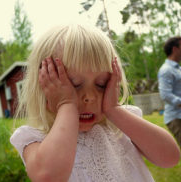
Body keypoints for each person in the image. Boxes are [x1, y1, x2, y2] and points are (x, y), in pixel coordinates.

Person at [10, 24, 180, 182]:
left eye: (101, 84)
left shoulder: (120, 127)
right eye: (73, 85)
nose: (90, 96)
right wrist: (66, 104)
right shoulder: (35, 140)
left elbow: (170, 157)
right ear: (44, 87)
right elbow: (48, 176)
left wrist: (113, 109)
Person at [158, 36, 181, 147]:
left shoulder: (178, 69)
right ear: (175, 49)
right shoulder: (166, 70)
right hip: (176, 118)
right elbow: (165, 95)